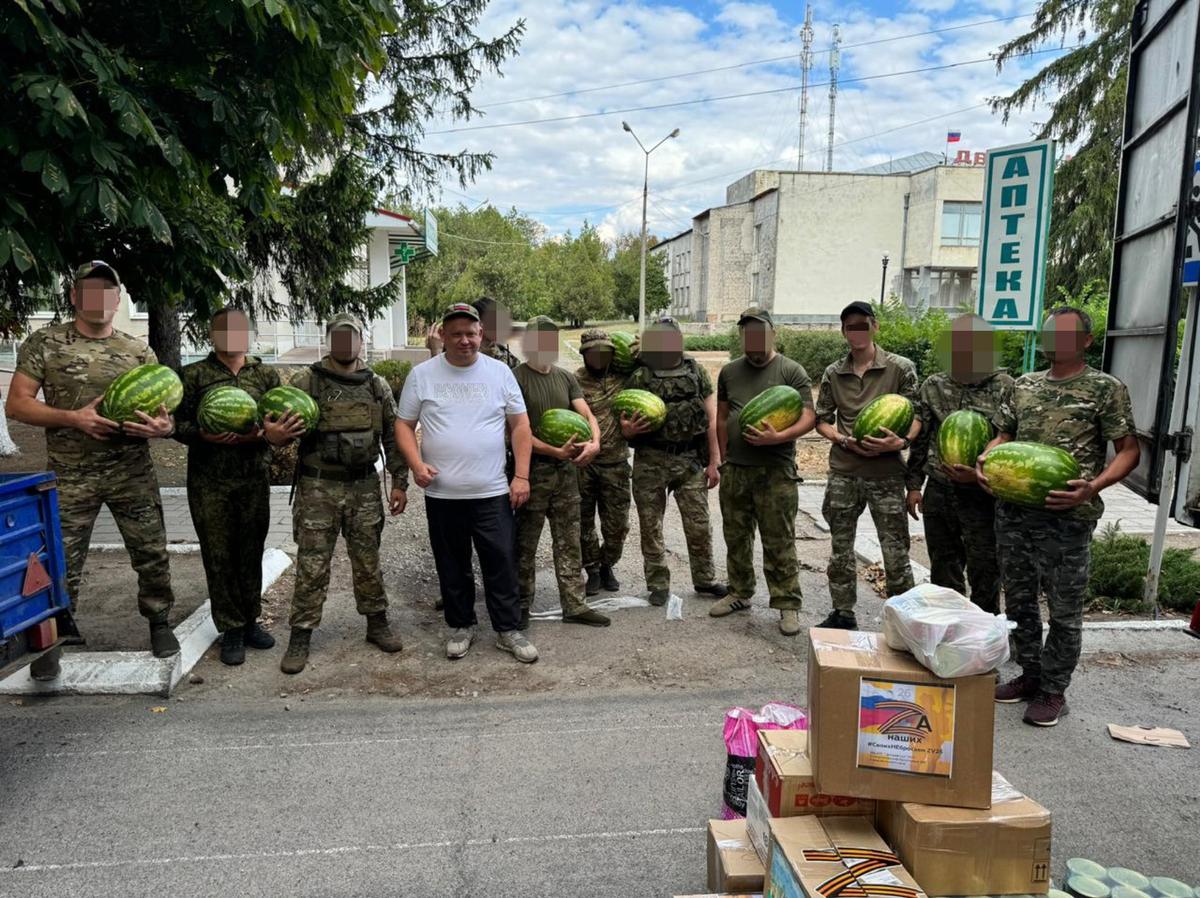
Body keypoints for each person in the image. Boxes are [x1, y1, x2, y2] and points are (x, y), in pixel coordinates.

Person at [7, 261, 179, 678]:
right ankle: (50, 641)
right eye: (90, 290)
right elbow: (17, 404)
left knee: (151, 552)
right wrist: (74, 418)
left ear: (118, 299)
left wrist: (164, 427)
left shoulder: (137, 350)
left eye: (108, 291)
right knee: (60, 560)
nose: (100, 299)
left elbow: (164, 413)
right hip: (70, 473)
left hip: (131, 471)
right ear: (74, 296)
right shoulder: (46, 343)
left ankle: (159, 622)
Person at [979, 306, 1139, 727]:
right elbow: (1004, 436)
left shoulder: (1105, 388)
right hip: (1014, 512)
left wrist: (1094, 486)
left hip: (1068, 516)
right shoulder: (1023, 385)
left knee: (1065, 610)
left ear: (1086, 341)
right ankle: (1030, 676)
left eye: (1067, 335)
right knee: (1019, 602)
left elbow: (1129, 450)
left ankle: (1054, 691)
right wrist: (988, 457)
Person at [397, 302, 538, 663]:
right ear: (442, 336)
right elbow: (403, 424)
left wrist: (521, 475)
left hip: (491, 491)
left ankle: (507, 630)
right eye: (456, 334)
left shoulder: (499, 374)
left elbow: (520, 425)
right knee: (451, 562)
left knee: (501, 560)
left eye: (471, 334)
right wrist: (415, 465)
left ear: (482, 335)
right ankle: (461, 626)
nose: (465, 341)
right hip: (443, 493)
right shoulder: (423, 374)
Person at [174, 310, 307, 665]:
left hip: (252, 476)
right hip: (208, 480)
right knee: (219, 555)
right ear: (212, 333)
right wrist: (201, 434)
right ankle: (230, 627)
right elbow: (176, 424)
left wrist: (271, 436)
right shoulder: (194, 375)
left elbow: (281, 422)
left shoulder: (265, 375)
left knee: (251, 551)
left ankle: (250, 621)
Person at [279, 314, 409, 674]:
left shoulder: (376, 385)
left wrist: (400, 482)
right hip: (317, 486)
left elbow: (393, 436)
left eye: (352, 337)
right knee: (312, 563)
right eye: (339, 337)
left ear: (361, 342)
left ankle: (376, 623)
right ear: (329, 340)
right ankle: (301, 634)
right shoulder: (308, 381)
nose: (346, 344)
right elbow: (281, 425)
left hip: (364, 486)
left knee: (368, 560)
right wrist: (276, 433)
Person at [814, 300, 920, 630]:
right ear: (844, 331)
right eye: (849, 326)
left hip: (886, 474)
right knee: (840, 549)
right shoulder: (834, 372)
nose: (856, 332)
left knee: (896, 551)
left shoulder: (900, 368)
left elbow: (918, 416)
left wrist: (900, 443)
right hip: (844, 471)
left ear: (874, 326)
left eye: (862, 325)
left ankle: (905, 620)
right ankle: (843, 613)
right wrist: (842, 439)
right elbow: (822, 420)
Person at [712, 308, 816, 635]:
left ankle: (787, 604)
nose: (753, 338)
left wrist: (779, 437)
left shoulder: (791, 370)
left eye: (759, 332)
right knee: (736, 536)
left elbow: (808, 417)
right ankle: (740, 592)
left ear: (772, 334)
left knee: (779, 540)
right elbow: (721, 416)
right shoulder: (729, 372)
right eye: (747, 332)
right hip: (737, 471)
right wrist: (722, 457)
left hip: (776, 470)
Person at [905, 314, 1012, 613]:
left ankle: (985, 635)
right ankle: (948, 631)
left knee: (985, 569)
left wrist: (980, 477)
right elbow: (921, 439)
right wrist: (914, 486)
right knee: (943, 567)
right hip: (939, 490)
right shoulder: (934, 385)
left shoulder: (1005, 387)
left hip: (983, 495)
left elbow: (1012, 441)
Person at [623, 316, 728, 606]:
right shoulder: (641, 376)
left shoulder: (695, 371)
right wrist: (628, 430)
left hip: (689, 460)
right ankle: (658, 584)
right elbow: (625, 422)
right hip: (651, 459)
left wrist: (714, 460)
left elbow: (710, 418)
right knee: (651, 525)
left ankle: (705, 579)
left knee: (699, 524)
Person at [513, 316, 610, 627]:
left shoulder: (566, 378)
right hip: (532, 472)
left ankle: (575, 604)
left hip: (567, 474)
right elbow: (513, 430)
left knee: (569, 540)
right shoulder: (514, 378)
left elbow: (587, 414)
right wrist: (554, 450)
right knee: (525, 543)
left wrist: (594, 442)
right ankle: (520, 606)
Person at [575, 328, 633, 595]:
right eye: (593, 353)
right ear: (585, 354)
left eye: (604, 353)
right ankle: (593, 571)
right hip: (583, 465)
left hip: (617, 464)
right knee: (584, 522)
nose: (599, 358)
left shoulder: (625, 378)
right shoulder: (574, 381)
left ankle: (608, 563)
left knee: (618, 525)